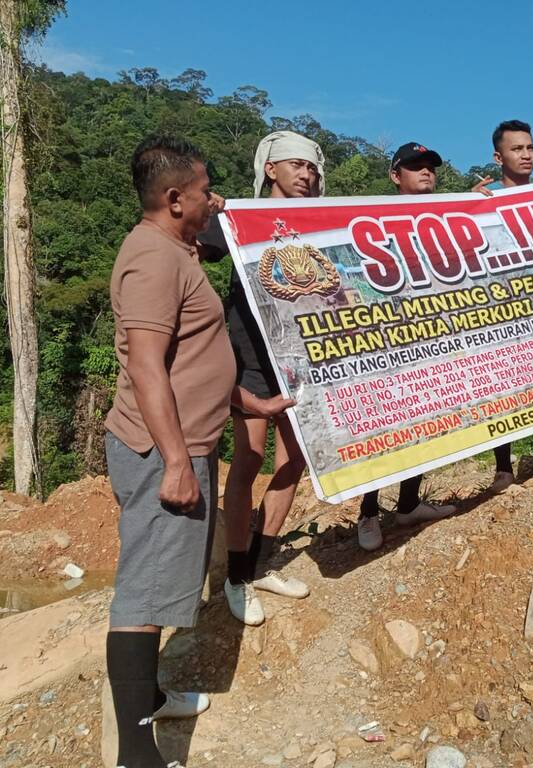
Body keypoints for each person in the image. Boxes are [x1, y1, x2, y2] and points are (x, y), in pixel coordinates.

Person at [104, 135, 294, 768]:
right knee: (144, 597)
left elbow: (194, 361)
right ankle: (138, 753)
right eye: (206, 188)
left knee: (160, 586)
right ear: (174, 196)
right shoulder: (153, 259)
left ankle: (153, 694)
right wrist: (180, 461)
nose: (215, 199)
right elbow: (149, 370)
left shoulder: (178, 252)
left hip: (184, 442)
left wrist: (250, 404)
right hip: (165, 449)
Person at [198, 131, 324, 626]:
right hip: (248, 360)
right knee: (248, 461)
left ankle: (259, 563)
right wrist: (213, 211)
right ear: (271, 170)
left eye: (311, 168)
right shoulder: (238, 217)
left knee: (294, 461)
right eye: (295, 165)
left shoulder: (315, 222)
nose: (306, 174)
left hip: (298, 362)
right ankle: (234, 578)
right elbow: (193, 248)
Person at [356, 142, 458, 551]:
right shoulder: (372, 215)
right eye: (415, 168)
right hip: (388, 338)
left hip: (434, 335)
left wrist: (482, 203)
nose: (426, 173)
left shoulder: (447, 213)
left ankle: (409, 504)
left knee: (427, 422)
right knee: (386, 426)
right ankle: (367, 511)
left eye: (430, 167)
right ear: (396, 176)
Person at [472, 119, 533, 489]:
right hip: (500, 308)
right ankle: (503, 468)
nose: (526, 155)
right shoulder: (481, 200)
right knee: (502, 387)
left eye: (529, 147)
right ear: (498, 156)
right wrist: (470, 207)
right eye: (517, 149)